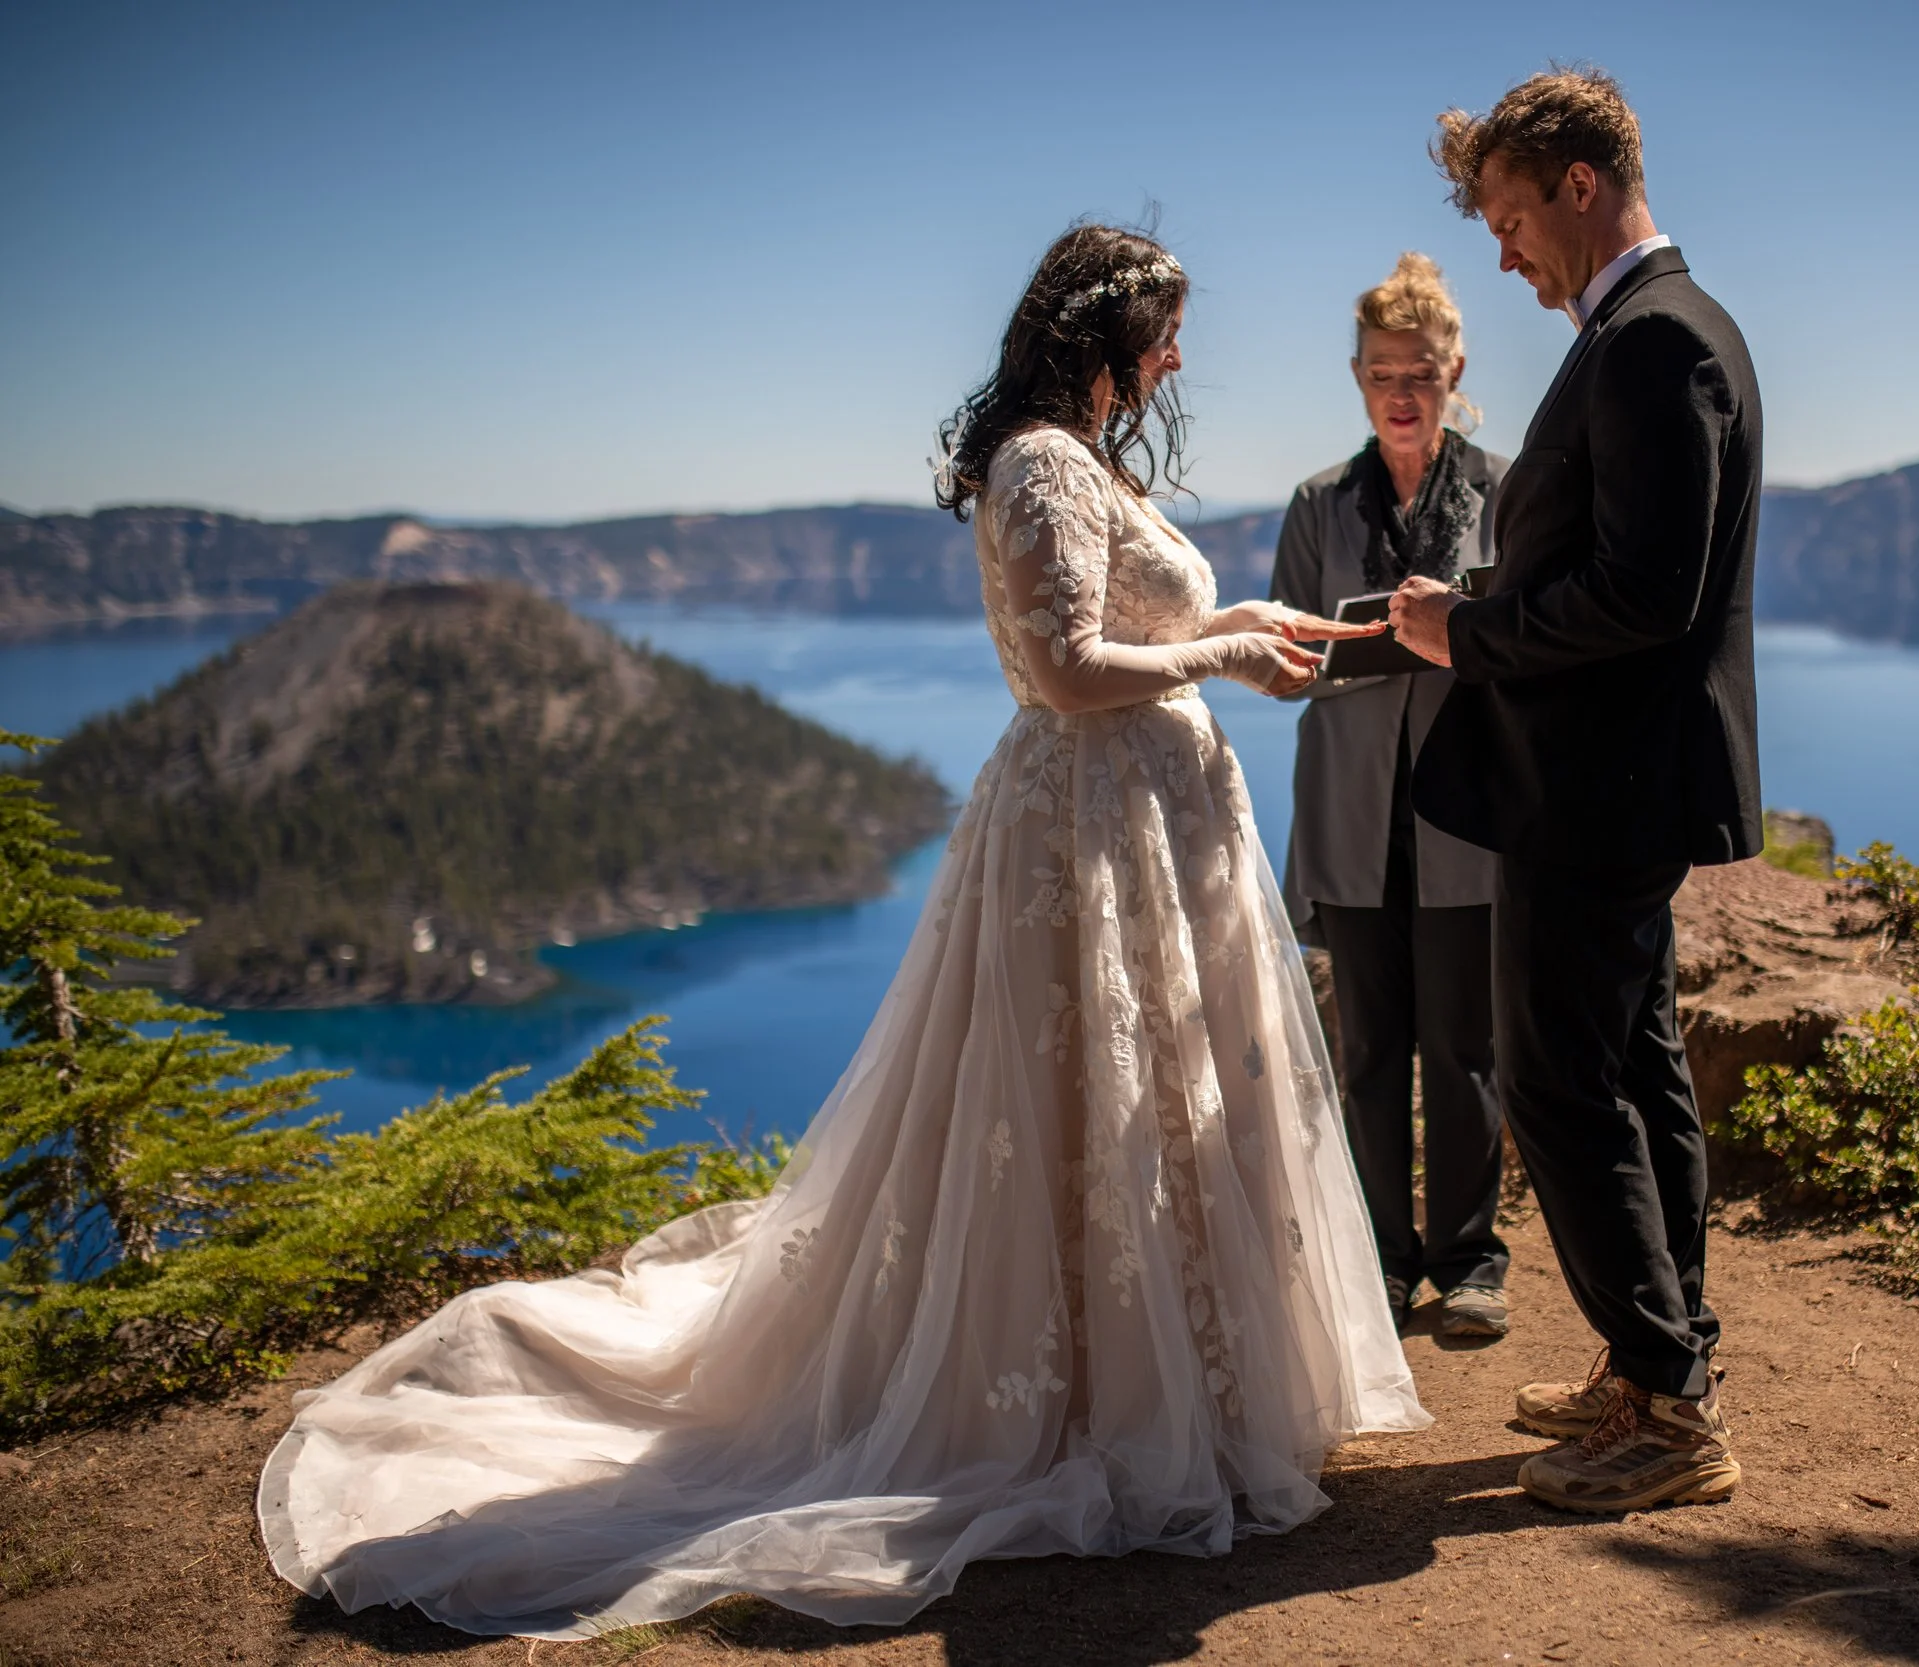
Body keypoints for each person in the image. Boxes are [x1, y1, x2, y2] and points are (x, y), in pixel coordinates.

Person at [259, 223, 1428, 1640]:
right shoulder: (1046, 461)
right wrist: (1222, 653)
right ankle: (1087, 1401)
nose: (1178, 355)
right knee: (1087, 1102)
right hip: (1093, 834)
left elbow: (1114, 625)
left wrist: (1239, 616)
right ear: (1103, 332)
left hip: (1138, 829)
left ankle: (1162, 1384)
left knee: (1150, 1100)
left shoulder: (1084, 459)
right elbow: (1063, 669)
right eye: (1164, 330)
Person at [1389, 68, 1762, 1514]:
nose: (1500, 248)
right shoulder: (1659, 331)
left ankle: (1670, 1411)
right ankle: (1659, 1361)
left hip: (1593, 787)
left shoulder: (1658, 341)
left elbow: (1644, 593)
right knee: (1637, 1068)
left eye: (1507, 214)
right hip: (1607, 779)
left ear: (1578, 187)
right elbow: (1606, 563)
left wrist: (1464, 634)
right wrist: (1478, 596)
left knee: (1553, 1081)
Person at [1271, 253, 1510, 1339]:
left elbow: (1536, 639)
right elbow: (1279, 649)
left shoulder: (1507, 491)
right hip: (1352, 812)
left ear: (1454, 370)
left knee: (1463, 1050)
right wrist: (1333, 646)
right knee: (1367, 1052)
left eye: (1419, 372)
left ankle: (1470, 1260)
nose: (1401, 393)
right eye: (1380, 375)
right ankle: (1380, 1254)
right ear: (1357, 380)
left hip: (1467, 813)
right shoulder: (1317, 504)